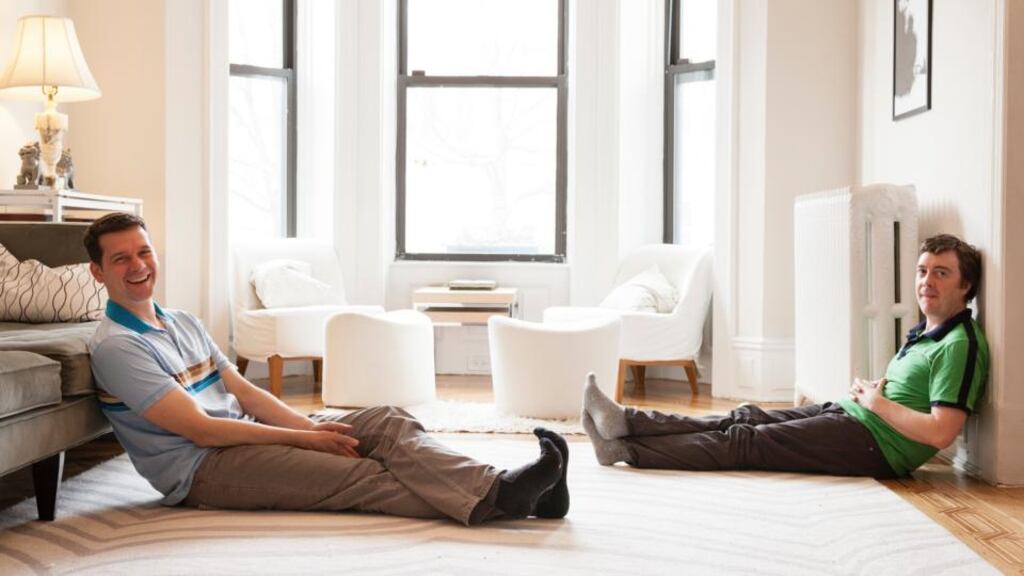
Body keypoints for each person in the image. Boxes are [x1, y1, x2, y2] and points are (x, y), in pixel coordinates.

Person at [85, 212, 569, 525]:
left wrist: (311, 425)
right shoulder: (118, 348)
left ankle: (517, 493)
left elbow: (246, 395)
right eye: (121, 258)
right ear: (98, 271)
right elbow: (203, 431)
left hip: (245, 435)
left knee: (385, 421)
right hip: (203, 469)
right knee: (361, 474)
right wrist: (306, 440)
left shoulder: (183, 321)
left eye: (144, 251)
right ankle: (508, 497)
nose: (138, 265)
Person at [581, 234, 988, 479]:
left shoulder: (961, 346)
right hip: (860, 418)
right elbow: (913, 395)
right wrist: (874, 393)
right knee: (746, 416)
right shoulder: (929, 332)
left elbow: (940, 432)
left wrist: (877, 403)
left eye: (941, 273)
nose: (926, 281)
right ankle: (625, 422)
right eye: (922, 271)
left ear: (965, 285)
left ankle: (625, 450)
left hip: (876, 447)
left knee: (745, 442)